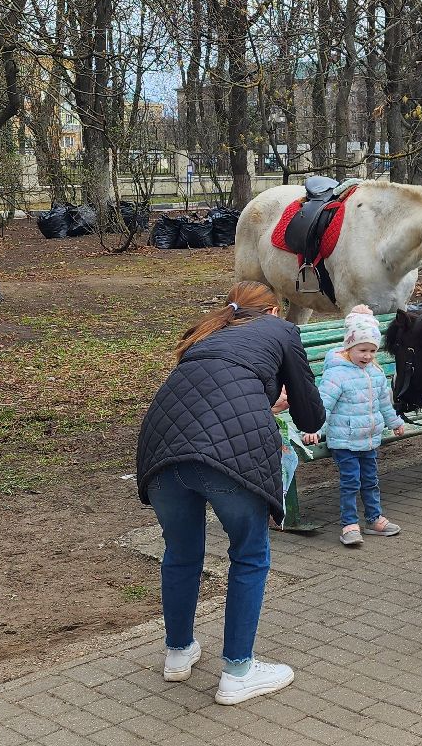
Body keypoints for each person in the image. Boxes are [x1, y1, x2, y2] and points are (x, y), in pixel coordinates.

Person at [135, 281, 324, 705]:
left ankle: (178, 654)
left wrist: (262, 400)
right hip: (229, 455)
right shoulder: (282, 331)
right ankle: (238, 671)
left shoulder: (206, 335)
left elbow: (211, 395)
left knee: (181, 554)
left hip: (162, 448)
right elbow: (311, 414)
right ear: (274, 312)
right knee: (250, 554)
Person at [302, 305, 408, 547]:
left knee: (370, 480)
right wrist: (314, 429)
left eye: (372, 350)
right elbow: (323, 405)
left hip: (369, 439)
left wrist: (395, 422)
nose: (368, 356)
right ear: (349, 347)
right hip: (345, 440)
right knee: (351, 482)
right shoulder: (337, 374)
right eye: (362, 350)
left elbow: (384, 403)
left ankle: (374, 518)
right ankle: (349, 523)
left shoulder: (375, 373)